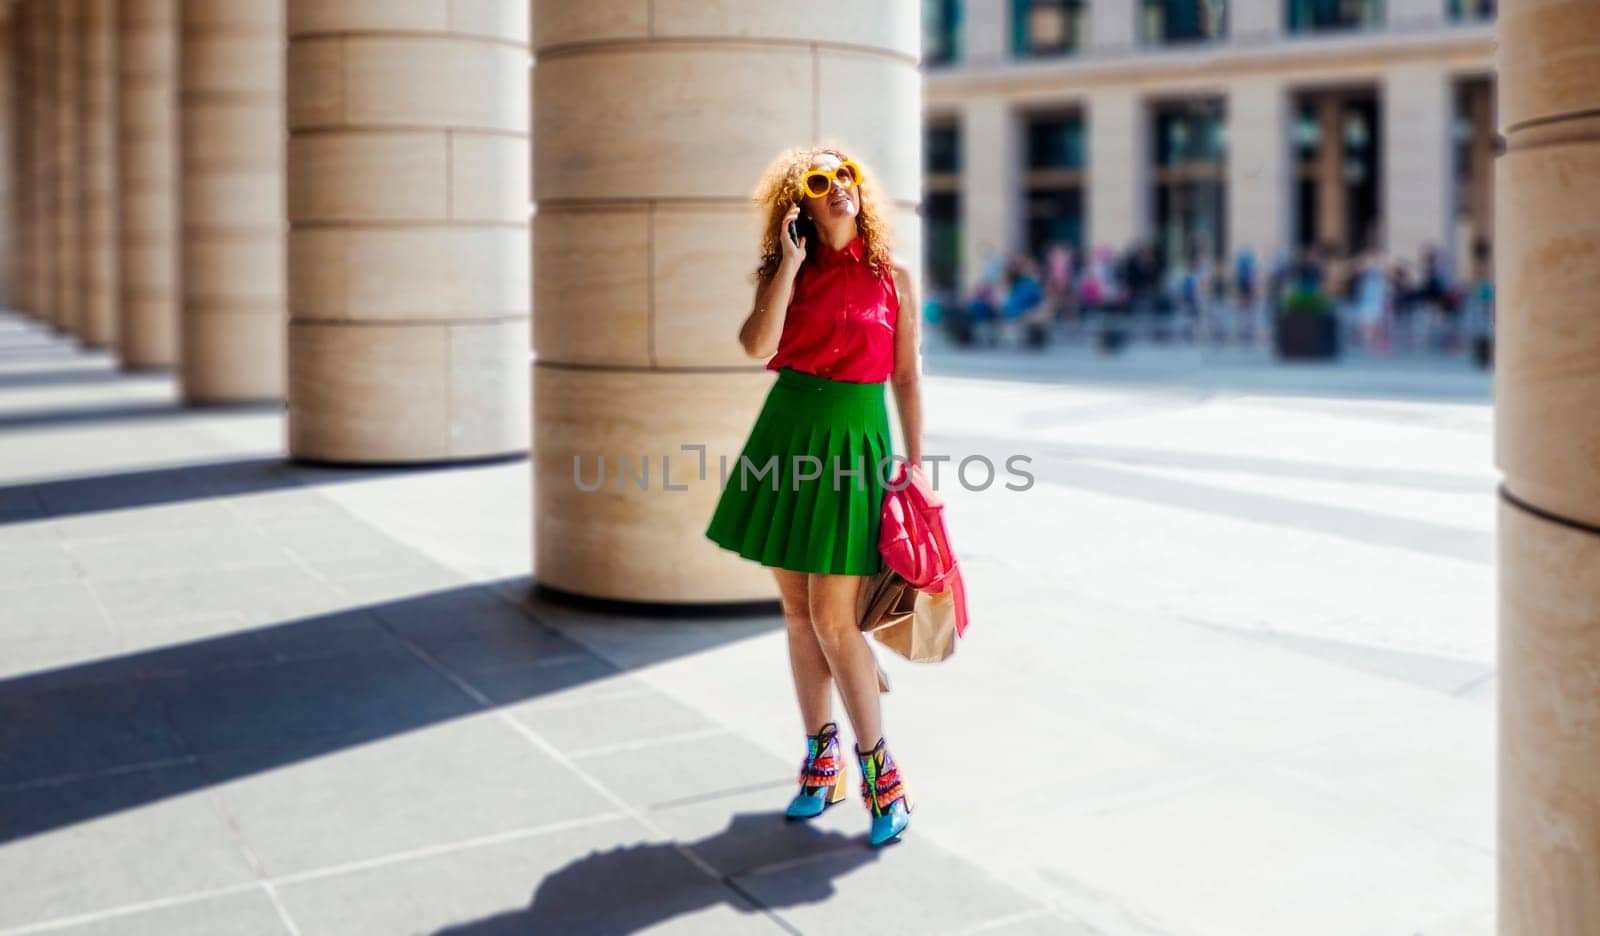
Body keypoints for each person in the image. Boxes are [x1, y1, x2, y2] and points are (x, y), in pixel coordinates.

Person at [704, 146, 919, 848]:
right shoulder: (787, 274)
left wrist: (914, 465)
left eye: (847, 176)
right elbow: (754, 345)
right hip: (788, 437)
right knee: (798, 614)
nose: (840, 190)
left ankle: (879, 769)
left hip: (858, 445)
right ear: (800, 202)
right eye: (822, 182)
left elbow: (906, 379)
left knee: (835, 619)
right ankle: (819, 756)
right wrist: (790, 266)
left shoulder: (893, 279)